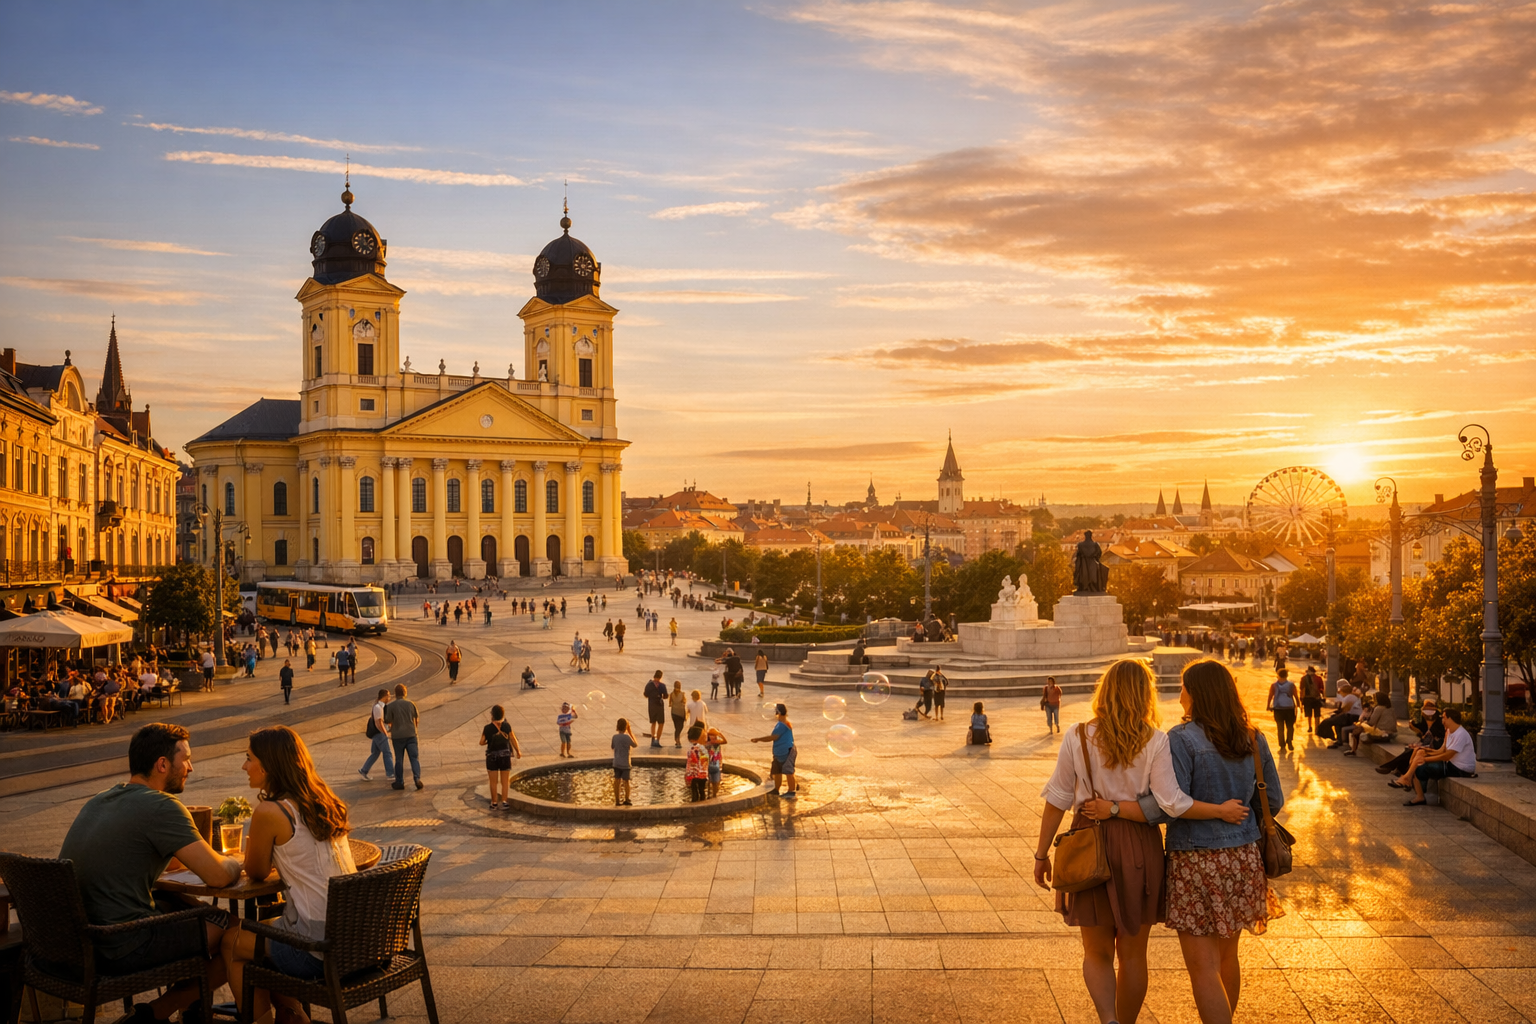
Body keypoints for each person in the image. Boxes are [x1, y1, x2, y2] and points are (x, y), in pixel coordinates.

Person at [1034, 660, 1251, 1024]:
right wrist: (1219, 810)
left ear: (1104, 691)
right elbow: (1172, 803)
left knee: (1096, 950)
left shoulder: (1077, 736)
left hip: (1090, 841)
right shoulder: (1156, 739)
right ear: (1144, 694)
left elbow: (1057, 797)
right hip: (1140, 846)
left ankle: (1109, 1020)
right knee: (1133, 953)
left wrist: (1042, 854)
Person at [59, 723, 240, 1024]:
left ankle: (189, 1011)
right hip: (121, 944)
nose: (191, 768)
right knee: (237, 934)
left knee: (194, 912)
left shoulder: (100, 800)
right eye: (186, 760)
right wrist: (234, 862)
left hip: (77, 943)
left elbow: (146, 858)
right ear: (162, 764)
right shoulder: (162, 806)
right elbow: (219, 877)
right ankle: (154, 1014)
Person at [1151, 660, 1285, 1024]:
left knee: (1203, 967)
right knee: (1227, 958)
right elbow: (1273, 800)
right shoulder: (1252, 737)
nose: (1180, 694)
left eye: (1183, 687)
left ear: (1195, 693)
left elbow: (1170, 804)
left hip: (1196, 861)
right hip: (1242, 859)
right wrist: (1238, 812)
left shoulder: (1181, 739)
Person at [220, 726, 357, 1024]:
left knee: (232, 940)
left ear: (269, 765)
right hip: (355, 940)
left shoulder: (271, 811)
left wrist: (244, 856)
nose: (244, 766)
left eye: (249, 758)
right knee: (258, 935)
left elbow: (255, 870)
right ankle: (293, 1017)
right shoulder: (325, 800)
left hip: (319, 950)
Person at [1405, 707, 1477, 806]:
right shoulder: (1449, 731)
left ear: (1450, 719)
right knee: (1418, 761)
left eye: (1444, 718)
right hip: (1451, 765)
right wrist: (1426, 751)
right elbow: (1442, 750)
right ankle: (1416, 790)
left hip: (1460, 770)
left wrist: (1425, 760)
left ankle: (1419, 795)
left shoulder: (1461, 734)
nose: (1442, 721)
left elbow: (1447, 756)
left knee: (1420, 768)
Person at [1380, 699, 1444, 781]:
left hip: (1434, 746)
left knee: (1412, 751)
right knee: (1409, 749)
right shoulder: (1422, 720)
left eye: (1431, 707)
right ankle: (1397, 770)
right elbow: (1419, 731)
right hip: (1425, 744)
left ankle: (1391, 767)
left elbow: (1439, 736)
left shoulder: (1439, 721)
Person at [751, 704, 796, 799]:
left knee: (788, 772)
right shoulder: (782, 723)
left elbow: (773, 737)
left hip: (786, 751)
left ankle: (791, 791)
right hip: (780, 752)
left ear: (778, 713)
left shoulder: (782, 724)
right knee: (777, 771)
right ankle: (776, 789)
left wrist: (758, 739)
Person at [480, 704, 521, 810]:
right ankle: (504, 801)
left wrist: (489, 741)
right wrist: (518, 751)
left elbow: (481, 742)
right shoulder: (507, 726)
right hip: (505, 756)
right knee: (505, 781)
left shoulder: (487, 728)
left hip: (492, 756)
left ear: (492, 715)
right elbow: (513, 738)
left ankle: (494, 802)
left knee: (493, 782)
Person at [384, 683, 422, 790]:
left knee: (399, 759)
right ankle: (417, 778)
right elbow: (416, 719)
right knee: (414, 758)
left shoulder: (390, 706)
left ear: (395, 694)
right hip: (411, 735)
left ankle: (400, 781)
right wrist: (414, 730)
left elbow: (387, 720)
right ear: (405, 692)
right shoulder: (411, 704)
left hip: (398, 736)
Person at [359, 688, 394, 781]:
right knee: (387, 753)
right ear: (385, 696)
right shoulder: (378, 707)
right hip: (379, 734)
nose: (390, 697)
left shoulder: (379, 706)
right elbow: (379, 722)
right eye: (389, 695)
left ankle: (364, 770)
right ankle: (390, 774)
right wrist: (385, 733)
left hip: (376, 733)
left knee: (375, 753)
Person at [1266, 668, 1298, 751]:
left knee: (1280, 727)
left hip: (1278, 708)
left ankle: (1282, 744)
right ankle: (1290, 742)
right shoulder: (1291, 685)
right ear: (1287, 676)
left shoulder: (1274, 685)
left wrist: (1268, 705)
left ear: (1278, 675)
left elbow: (1270, 695)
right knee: (1290, 726)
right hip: (1289, 708)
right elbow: (1295, 695)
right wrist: (1298, 704)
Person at [612, 717, 637, 806]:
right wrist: (629, 731)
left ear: (617, 727)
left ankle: (617, 800)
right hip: (626, 763)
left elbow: (612, 747)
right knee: (626, 782)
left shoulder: (614, 737)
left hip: (616, 762)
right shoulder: (627, 737)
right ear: (626, 727)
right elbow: (635, 744)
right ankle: (627, 799)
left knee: (617, 781)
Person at [644, 670, 668, 748]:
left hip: (651, 705)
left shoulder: (649, 685)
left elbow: (645, 694)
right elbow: (665, 696)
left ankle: (653, 738)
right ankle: (657, 740)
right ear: (661, 677)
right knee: (661, 723)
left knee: (653, 722)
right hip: (659, 706)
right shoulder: (662, 685)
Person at [685, 723, 709, 801]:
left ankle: (694, 806)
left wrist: (687, 775)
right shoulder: (703, 748)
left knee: (694, 792)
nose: (705, 738)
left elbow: (690, 763)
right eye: (703, 736)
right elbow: (706, 761)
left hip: (694, 775)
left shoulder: (692, 749)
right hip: (703, 774)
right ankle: (702, 804)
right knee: (702, 791)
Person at [1299, 666, 1325, 735]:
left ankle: (1310, 727)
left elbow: (1301, 689)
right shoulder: (1318, 678)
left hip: (1307, 698)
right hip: (1316, 698)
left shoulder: (1304, 678)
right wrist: (1323, 698)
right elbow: (1322, 688)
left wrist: (1301, 698)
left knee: (1309, 714)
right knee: (1316, 714)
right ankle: (1316, 728)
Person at [706, 727, 728, 798]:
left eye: (715, 737)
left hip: (717, 764)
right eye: (712, 736)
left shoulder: (718, 742)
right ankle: (710, 794)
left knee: (716, 781)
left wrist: (720, 734)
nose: (714, 739)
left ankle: (714, 794)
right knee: (710, 781)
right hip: (709, 764)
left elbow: (725, 741)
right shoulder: (707, 744)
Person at [669, 681, 688, 747]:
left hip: (674, 713)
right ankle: (677, 740)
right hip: (681, 713)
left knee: (677, 727)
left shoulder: (671, 694)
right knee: (680, 727)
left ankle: (677, 740)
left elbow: (670, 704)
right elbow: (684, 702)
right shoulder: (682, 694)